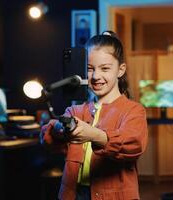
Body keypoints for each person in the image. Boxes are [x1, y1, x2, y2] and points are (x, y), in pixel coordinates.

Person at [40, 30, 148, 200]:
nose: (96, 76)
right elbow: (49, 140)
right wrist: (60, 128)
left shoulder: (133, 110)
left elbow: (134, 144)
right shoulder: (76, 111)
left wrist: (94, 134)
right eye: (90, 69)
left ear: (120, 70)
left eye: (105, 68)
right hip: (75, 194)